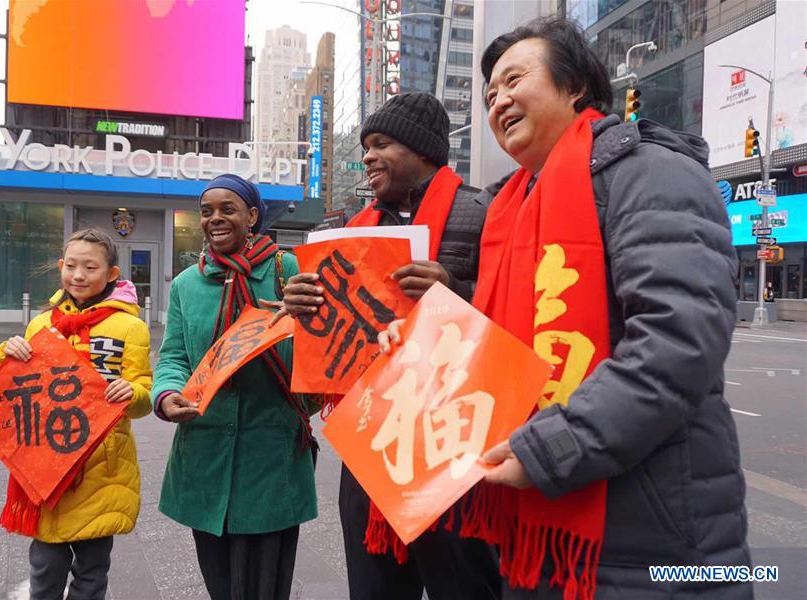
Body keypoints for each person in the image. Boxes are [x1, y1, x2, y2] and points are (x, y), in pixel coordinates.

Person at [390, 16, 752, 600]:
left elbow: (679, 342)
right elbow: (495, 346)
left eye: (514, 80)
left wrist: (550, 449)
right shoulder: (509, 208)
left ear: (575, 86)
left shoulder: (651, 173)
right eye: (490, 94)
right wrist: (414, 349)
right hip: (536, 541)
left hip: (648, 547)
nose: (498, 101)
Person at [281, 92, 500, 600]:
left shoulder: (483, 212)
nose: (368, 157)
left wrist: (455, 291)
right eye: (365, 147)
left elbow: (513, 307)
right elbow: (328, 335)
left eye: (381, 144)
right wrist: (302, 306)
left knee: (465, 585)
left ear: (421, 150)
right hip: (373, 439)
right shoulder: (349, 233)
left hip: (454, 441)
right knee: (374, 586)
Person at [151, 174, 317, 600]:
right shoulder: (187, 284)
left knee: (266, 587)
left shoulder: (287, 269)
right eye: (207, 212)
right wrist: (167, 396)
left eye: (228, 209)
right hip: (204, 455)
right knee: (221, 584)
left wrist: (303, 320)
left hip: (271, 456)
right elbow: (173, 356)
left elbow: (324, 346)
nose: (215, 219)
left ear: (253, 216)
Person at [0, 227, 153, 600]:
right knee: (45, 567)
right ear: (60, 267)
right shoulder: (41, 324)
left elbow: (144, 395)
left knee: (92, 572)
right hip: (47, 464)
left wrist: (133, 392)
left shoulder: (130, 327)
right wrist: (7, 353)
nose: (78, 275)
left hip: (101, 467)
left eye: (90, 267)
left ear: (112, 274)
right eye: (71, 266)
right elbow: (17, 389)